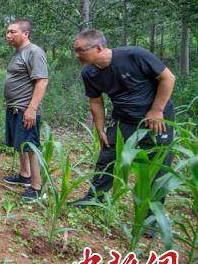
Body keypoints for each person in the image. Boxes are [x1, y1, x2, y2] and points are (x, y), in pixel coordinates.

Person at [70, 29, 175, 208]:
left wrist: (157, 110)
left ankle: (150, 217)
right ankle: (94, 198)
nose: (77, 55)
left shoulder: (134, 55)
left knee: (156, 165)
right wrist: (100, 128)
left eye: (81, 50)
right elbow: (96, 101)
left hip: (155, 118)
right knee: (107, 155)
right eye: (76, 50)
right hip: (123, 119)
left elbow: (168, 78)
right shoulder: (89, 72)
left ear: (98, 48)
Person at [1, 20, 49, 201]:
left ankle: (37, 188)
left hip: (26, 109)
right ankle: (24, 175)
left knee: (30, 147)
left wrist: (32, 109)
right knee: (20, 144)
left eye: (12, 32)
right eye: (7, 32)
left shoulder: (34, 52)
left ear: (26, 33)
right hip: (15, 107)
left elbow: (42, 81)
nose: (8, 35)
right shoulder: (18, 52)